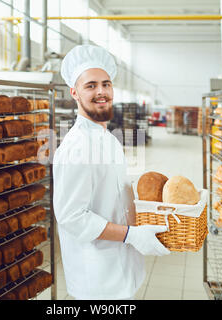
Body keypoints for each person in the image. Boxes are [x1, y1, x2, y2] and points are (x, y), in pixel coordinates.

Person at [53, 45, 170, 300]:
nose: (101, 92)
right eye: (91, 85)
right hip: (96, 275)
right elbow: (72, 217)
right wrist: (131, 235)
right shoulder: (76, 147)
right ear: (74, 92)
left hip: (122, 267)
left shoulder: (109, 139)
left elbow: (113, 191)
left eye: (106, 84)